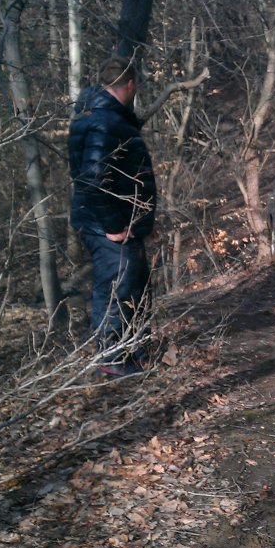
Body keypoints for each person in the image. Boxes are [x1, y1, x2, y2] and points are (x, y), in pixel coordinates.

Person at [69, 56, 157, 377]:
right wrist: (114, 225)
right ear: (130, 84)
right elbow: (93, 178)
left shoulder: (102, 117)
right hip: (105, 224)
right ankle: (113, 360)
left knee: (136, 284)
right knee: (117, 287)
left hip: (120, 222)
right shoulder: (104, 121)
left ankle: (137, 352)